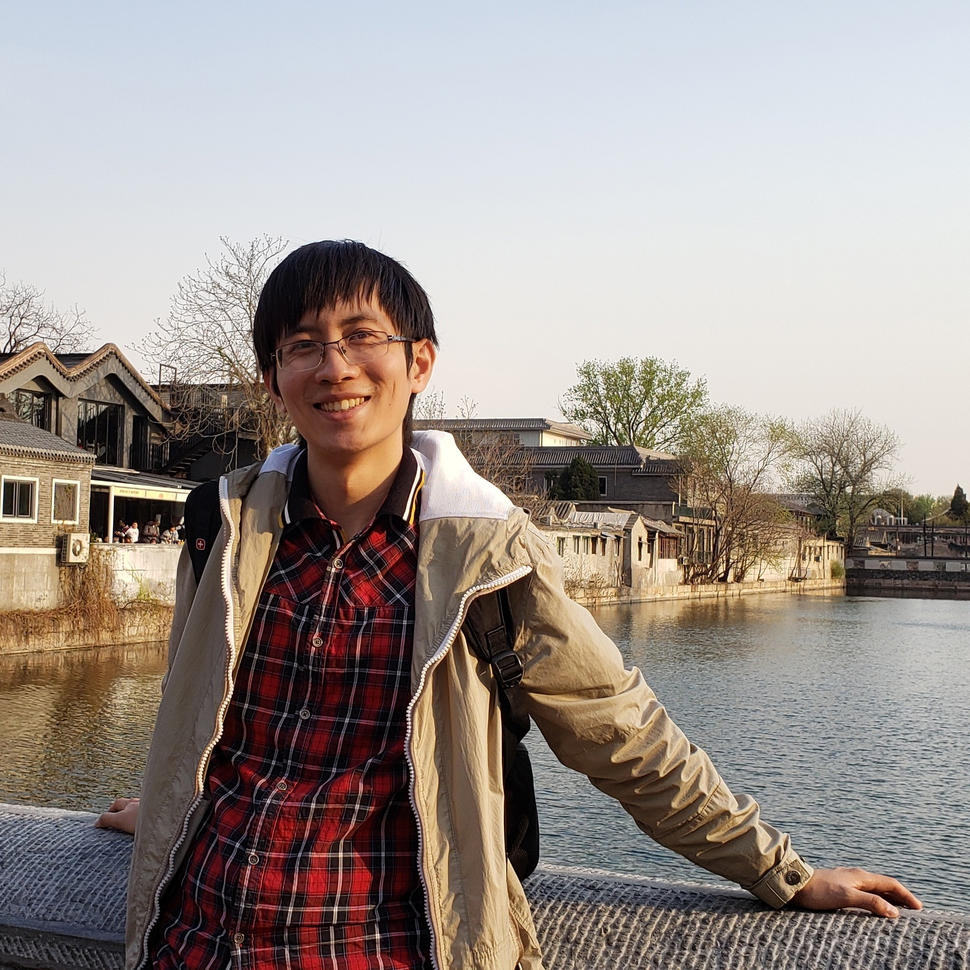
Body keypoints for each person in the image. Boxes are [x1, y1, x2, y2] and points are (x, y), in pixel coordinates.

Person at [98, 240, 920, 970]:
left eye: (361, 339)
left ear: (419, 363)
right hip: (198, 936)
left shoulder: (483, 553)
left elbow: (620, 730)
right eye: (303, 345)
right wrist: (172, 807)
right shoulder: (226, 525)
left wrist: (782, 871)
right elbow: (201, 708)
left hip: (379, 939)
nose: (335, 367)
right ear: (272, 378)